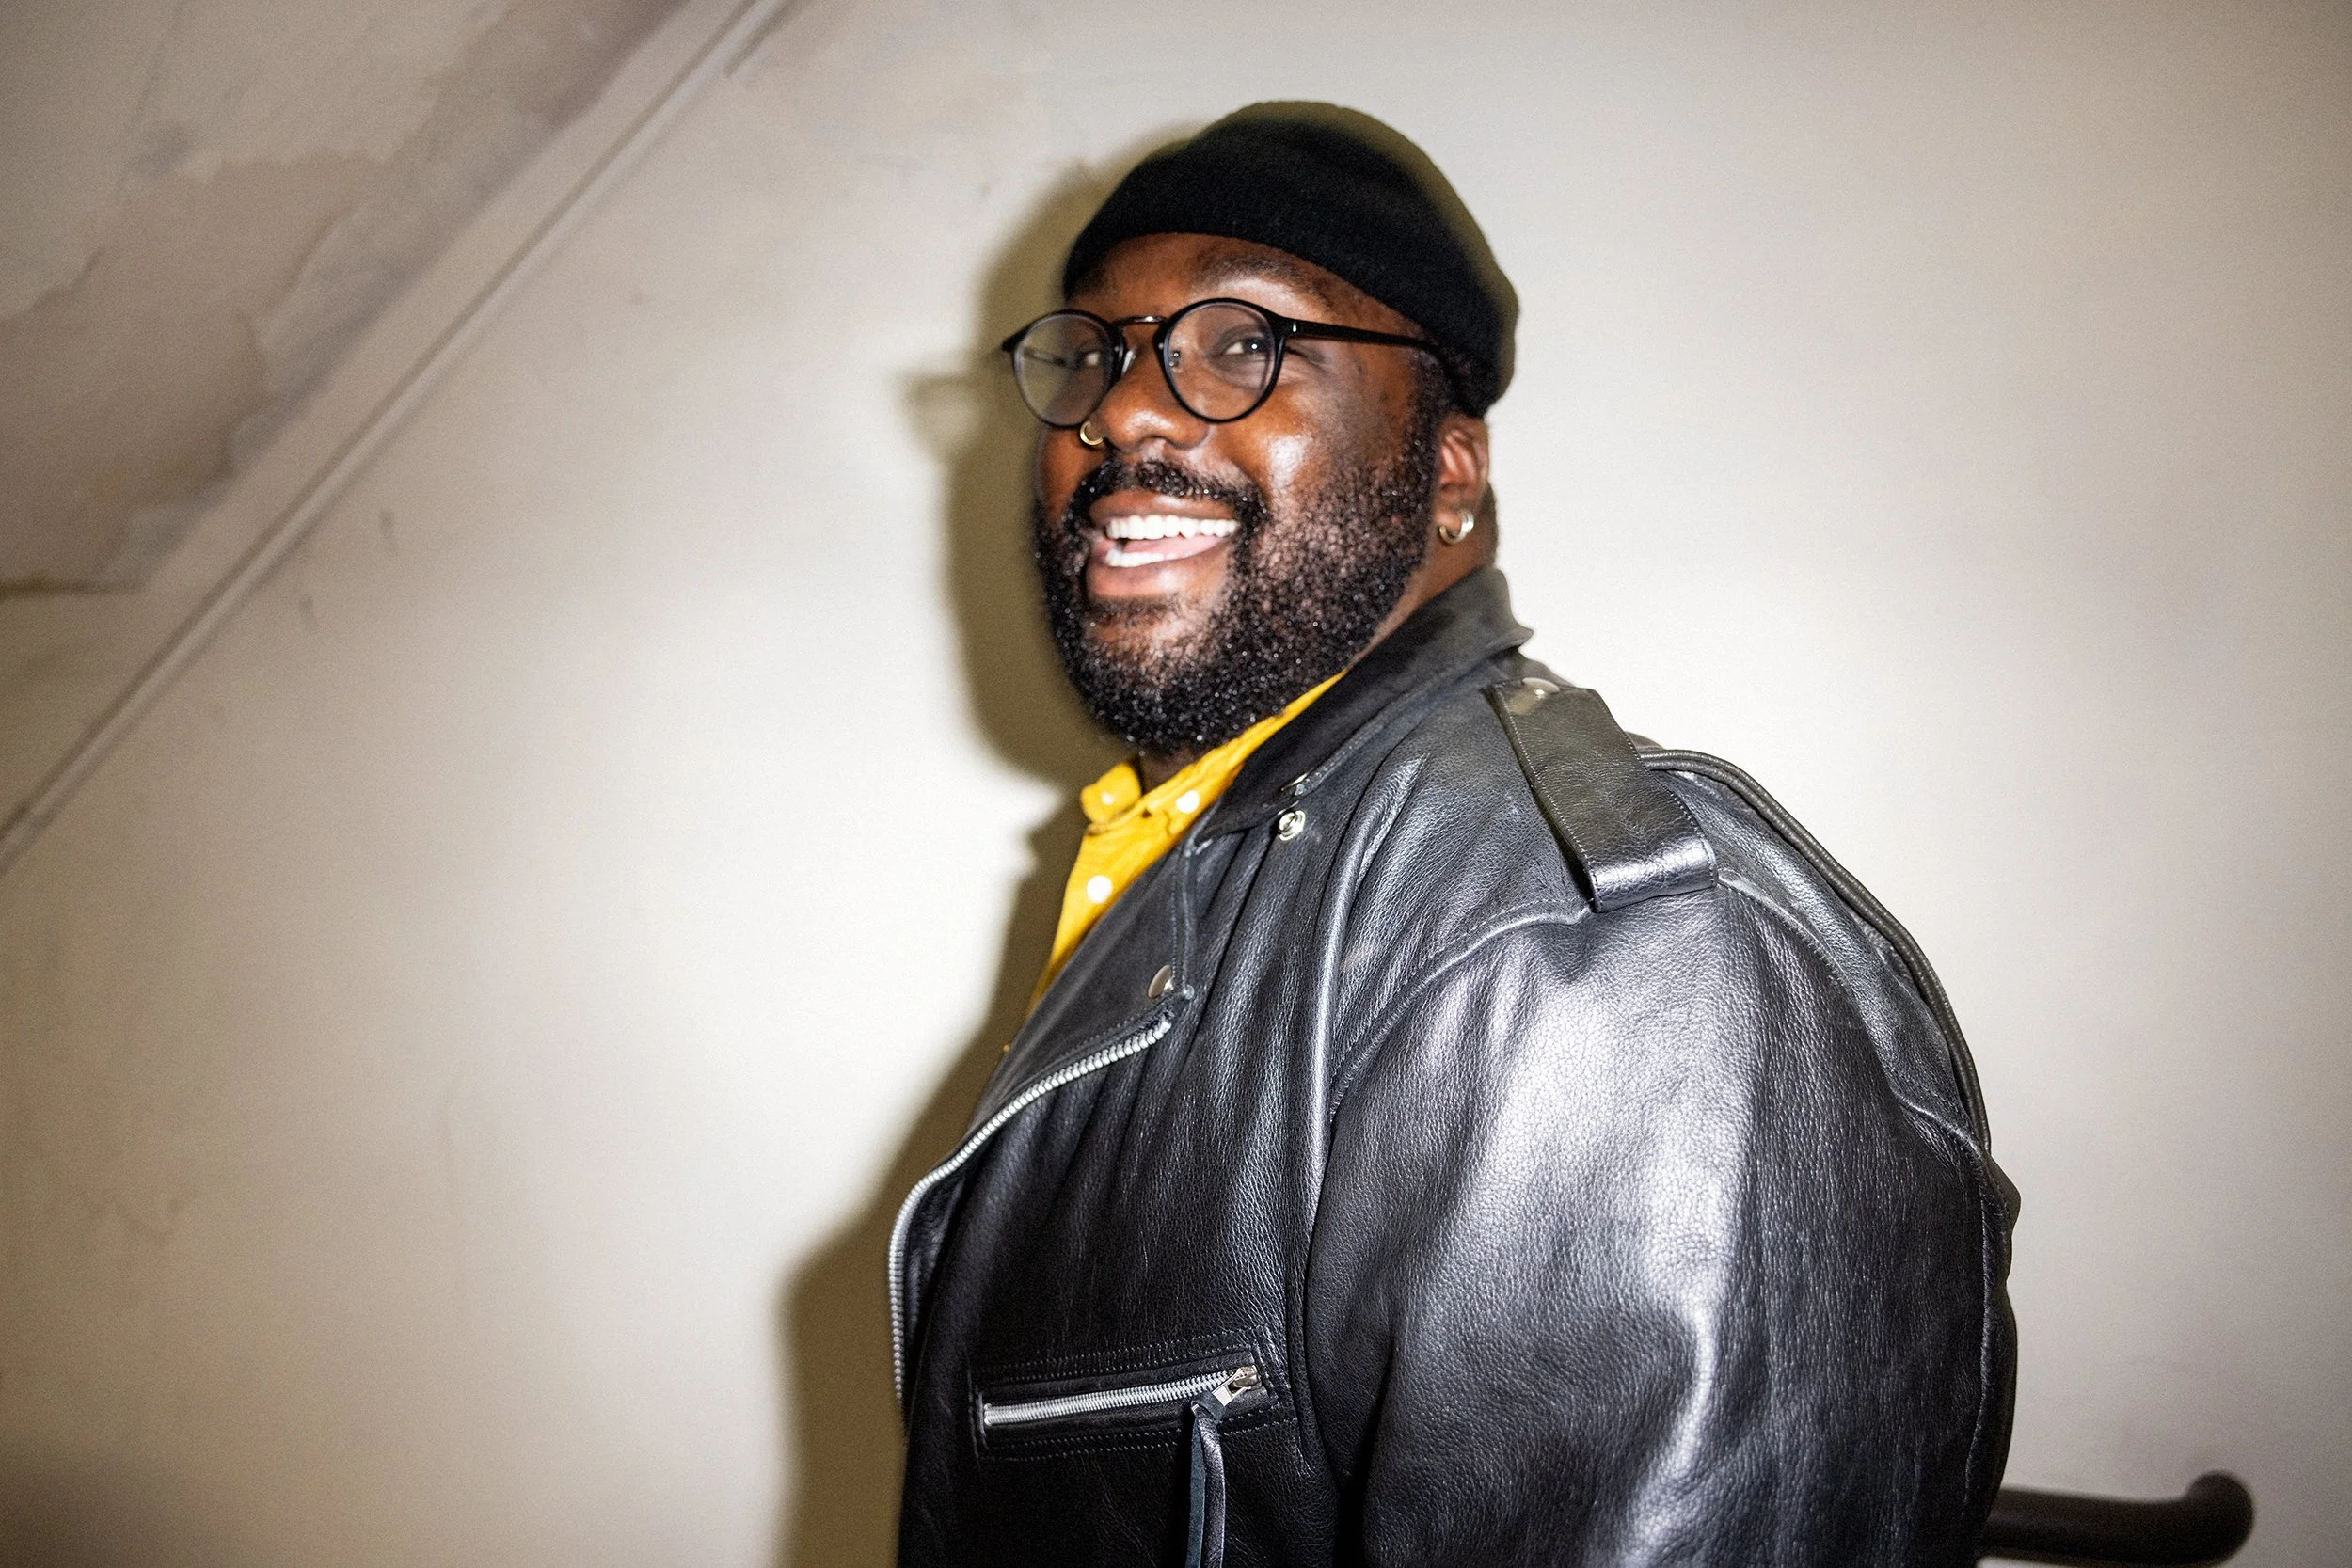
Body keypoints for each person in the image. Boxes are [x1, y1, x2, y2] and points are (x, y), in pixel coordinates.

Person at [889, 103, 2016, 1567]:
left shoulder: (1592, 948)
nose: (1124, 416)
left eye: (1242, 343)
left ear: (1449, 470)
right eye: (1094, 356)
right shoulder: (1185, 859)